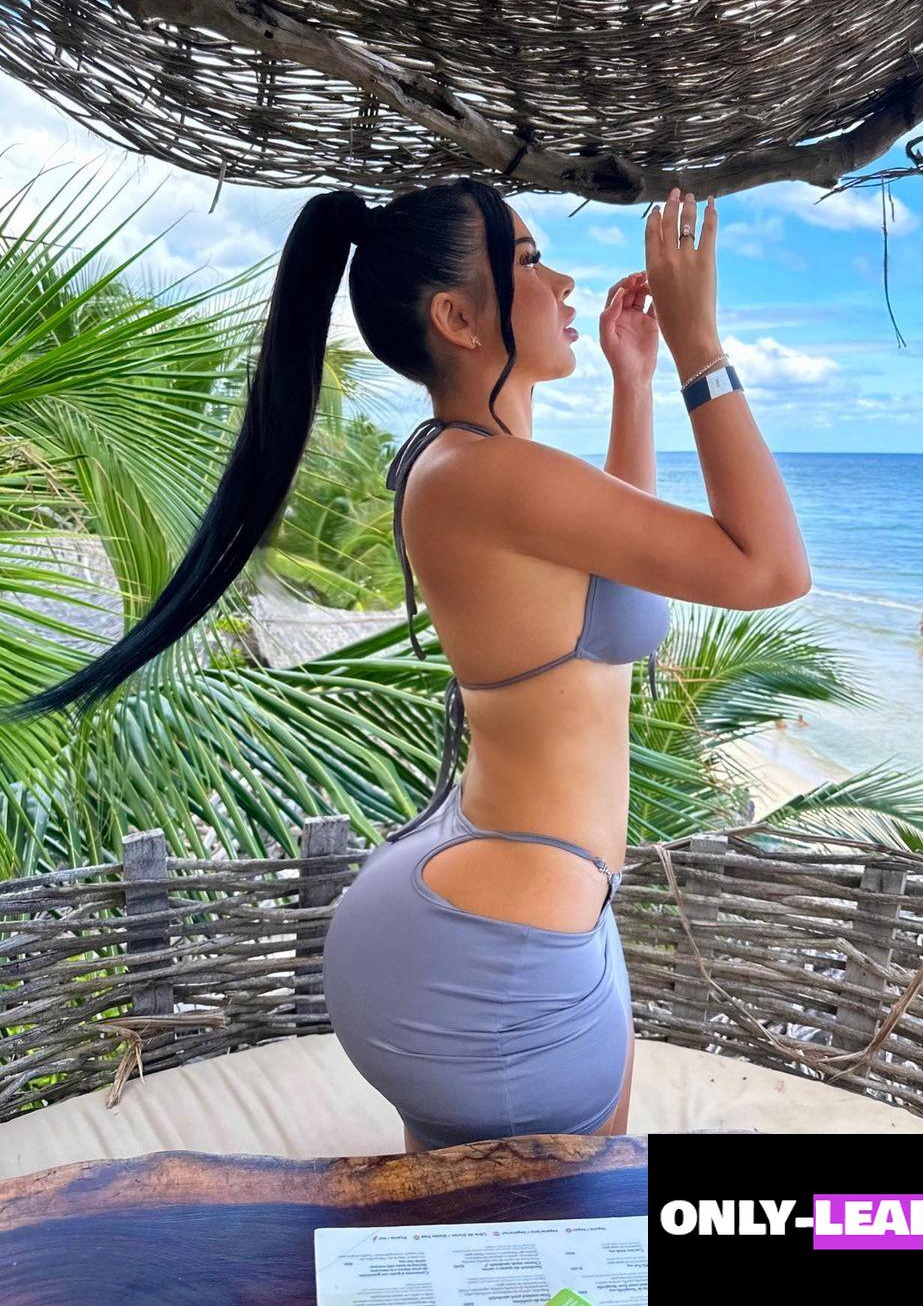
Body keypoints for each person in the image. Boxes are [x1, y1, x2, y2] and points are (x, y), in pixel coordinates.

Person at [1, 179, 810, 1151]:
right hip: (500, 945)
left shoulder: (478, 468)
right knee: (567, 1226)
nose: (562, 282)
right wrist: (698, 346)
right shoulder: (490, 475)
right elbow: (771, 568)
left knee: (490, 1222)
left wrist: (632, 381)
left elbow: (620, 558)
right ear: (458, 318)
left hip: (503, 914)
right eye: (528, 261)